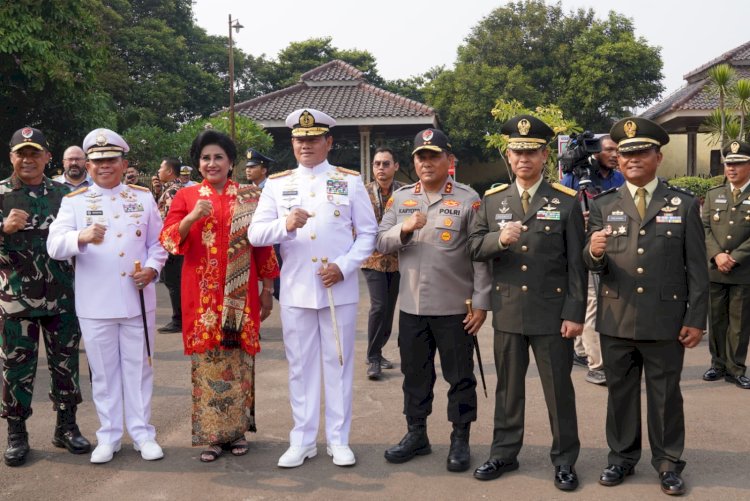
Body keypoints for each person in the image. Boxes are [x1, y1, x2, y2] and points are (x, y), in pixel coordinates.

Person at [584, 117, 708, 496]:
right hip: (616, 316)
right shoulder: (604, 204)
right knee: (620, 393)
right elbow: (593, 263)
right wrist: (593, 251)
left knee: (666, 395)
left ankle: (668, 462)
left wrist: (695, 319)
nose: (632, 159)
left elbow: (698, 270)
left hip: (665, 318)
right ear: (617, 161)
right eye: (625, 154)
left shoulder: (683, 205)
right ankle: (621, 458)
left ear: (658, 156)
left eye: (641, 153)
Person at [249, 108, 377, 468]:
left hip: (338, 288)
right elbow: (256, 234)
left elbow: (367, 234)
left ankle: (339, 440)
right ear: (292, 142)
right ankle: (302, 439)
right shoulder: (277, 184)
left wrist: (345, 265)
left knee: (338, 364)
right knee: (301, 368)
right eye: (300, 139)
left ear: (329, 142)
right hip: (297, 289)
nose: (306, 145)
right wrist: (285, 225)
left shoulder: (350, 181)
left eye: (314, 138)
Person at [468, 115, 586, 490]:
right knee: (508, 389)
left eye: (531, 152)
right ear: (508, 154)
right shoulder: (493, 200)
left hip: (552, 314)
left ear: (544, 155)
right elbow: (473, 247)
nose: (524, 159)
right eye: (517, 152)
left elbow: (577, 265)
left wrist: (574, 312)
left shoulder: (565, 201)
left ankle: (565, 460)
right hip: (508, 311)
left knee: (559, 391)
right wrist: (499, 241)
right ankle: (503, 453)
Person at [47, 128, 168, 464]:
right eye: (98, 161)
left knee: (139, 369)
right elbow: (54, 246)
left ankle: (143, 433)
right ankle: (109, 435)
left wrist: (153, 269)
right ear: (87, 166)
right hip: (96, 302)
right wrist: (80, 237)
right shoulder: (74, 202)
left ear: (123, 162)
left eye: (111, 160)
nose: (104, 166)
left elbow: (158, 244)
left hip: (136, 300)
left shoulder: (143, 197)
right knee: (103, 373)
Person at [160, 130, 279, 462]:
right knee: (208, 362)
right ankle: (212, 435)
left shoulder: (249, 195)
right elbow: (169, 240)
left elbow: (263, 244)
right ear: (198, 163)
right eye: (205, 158)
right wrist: (193, 217)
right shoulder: (185, 197)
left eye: (218, 157)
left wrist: (268, 288)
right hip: (201, 297)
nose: (211, 163)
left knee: (240, 360)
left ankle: (238, 431)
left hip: (241, 295)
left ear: (231, 162)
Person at [377, 128, 490, 473]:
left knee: (460, 378)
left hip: (456, 308)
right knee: (415, 375)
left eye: (433, 156)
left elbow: (480, 255)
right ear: (413, 162)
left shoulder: (469, 199)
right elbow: (381, 242)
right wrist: (405, 228)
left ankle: (460, 438)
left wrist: (482, 303)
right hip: (412, 307)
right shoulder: (400, 200)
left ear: (448, 160)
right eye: (420, 157)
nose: (427, 163)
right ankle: (417, 434)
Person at [1, 127, 90, 467]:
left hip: (62, 297)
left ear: (46, 157)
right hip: (16, 300)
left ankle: (66, 427)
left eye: (34, 152)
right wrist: (3, 229)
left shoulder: (65, 196)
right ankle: (17, 434)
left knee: (65, 365)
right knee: (16, 370)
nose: (27, 159)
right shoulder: (2, 194)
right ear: (11, 157)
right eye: (21, 153)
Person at [562, 135, 624, 386]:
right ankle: (597, 365)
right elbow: (560, 209)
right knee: (591, 304)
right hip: (581, 246)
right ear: (595, 153)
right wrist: (579, 218)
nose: (614, 155)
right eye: (609, 150)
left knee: (596, 301)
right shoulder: (573, 179)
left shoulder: (619, 178)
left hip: (609, 246)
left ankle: (580, 350)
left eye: (617, 151)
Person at [702, 140, 750, 390]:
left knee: (739, 322)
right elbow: (705, 228)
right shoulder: (714, 195)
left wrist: (735, 257)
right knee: (717, 320)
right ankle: (717, 364)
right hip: (715, 269)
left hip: (743, 270)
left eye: (739, 163)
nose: (732, 169)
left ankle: (736, 368)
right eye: (729, 164)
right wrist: (717, 255)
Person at [361, 147, 403, 379]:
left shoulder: (404, 192)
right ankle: (373, 357)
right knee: (378, 306)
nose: (381, 168)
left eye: (386, 164)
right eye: (377, 164)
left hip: (397, 259)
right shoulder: (363, 192)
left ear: (395, 166)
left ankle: (377, 350)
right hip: (373, 258)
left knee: (389, 309)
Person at [155, 157, 186, 333]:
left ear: (169, 171)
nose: (158, 171)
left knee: (174, 282)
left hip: (173, 244)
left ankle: (179, 320)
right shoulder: (171, 189)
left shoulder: (173, 191)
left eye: (161, 167)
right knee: (172, 282)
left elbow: (172, 220)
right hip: (171, 243)